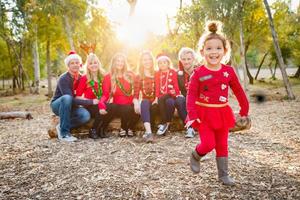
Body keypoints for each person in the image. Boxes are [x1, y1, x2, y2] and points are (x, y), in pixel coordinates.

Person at [186, 21, 249, 186]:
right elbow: (191, 95)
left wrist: (244, 108)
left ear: (225, 51)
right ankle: (196, 155)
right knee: (208, 143)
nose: (214, 52)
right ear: (202, 51)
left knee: (222, 144)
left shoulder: (228, 72)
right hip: (204, 115)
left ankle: (223, 175)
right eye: (209, 48)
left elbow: (238, 90)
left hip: (222, 113)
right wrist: (192, 115)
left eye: (218, 48)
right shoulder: (199, 73)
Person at [50, 51, 91, 142]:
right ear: (68, 65)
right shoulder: (64, 78)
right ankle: (64, 134)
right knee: (67, 97)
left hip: (73, 106)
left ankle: (61, 127)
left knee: (85, 116)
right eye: (72, 63)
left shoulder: (82, 78)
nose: (75, 65)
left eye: (77, 63)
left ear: (80, 64)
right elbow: (71, 99)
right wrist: (90, 101)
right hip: (58, 105)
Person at [101, 53, 140, 137]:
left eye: (122, 61)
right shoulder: (109, 77)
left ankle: (130, 127)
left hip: (130, 103)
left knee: (138, 109)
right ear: (114, 63)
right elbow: (105, 94)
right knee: (125, 108)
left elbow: (136, 90)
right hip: (117, 106)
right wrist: (101, 104)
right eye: (118, 61)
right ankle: (123, 127)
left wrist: (136, 102)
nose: (120, 63)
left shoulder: (130, 74)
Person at [75, 53, 108, 139]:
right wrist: (91, 101)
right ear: (88, 66)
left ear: (98, 64)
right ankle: (93, 130)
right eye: (91, 63)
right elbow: (77, 97)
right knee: (98, 109)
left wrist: (101, 102)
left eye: (95, 62)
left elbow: (106, 93)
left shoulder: (103, 77)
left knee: (109, 107)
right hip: (89, 105)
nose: (93, 65)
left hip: (101, 103)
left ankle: (102, 129)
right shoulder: (84, 79)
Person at [154, 54, 186, 136]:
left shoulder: (172, 72)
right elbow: (157, 86)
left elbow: (175, 84)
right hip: (162, 95)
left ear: (168, 63)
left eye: (164, 62)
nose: (162, 64)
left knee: (163, 99)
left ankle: (164, 123)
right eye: (160, 63)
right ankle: (166, 124)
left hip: (171, 93)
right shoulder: (157, 74)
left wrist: (178, 94)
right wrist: (156, 97)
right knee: (170, 102)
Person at [135, 51, 159, 142]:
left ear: (152, 61)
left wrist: (157, 98)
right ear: (141, 62)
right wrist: (136, 103)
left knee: (154, 106)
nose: (147, 61)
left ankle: (152, 128)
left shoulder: (157, 73)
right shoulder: (139, 76)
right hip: (147, 102)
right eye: (145, 60)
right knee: (144, 102)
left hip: (157, 101)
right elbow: (136, 93)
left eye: (149, 59)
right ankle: (149, 133)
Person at [177, 47, 198, 138]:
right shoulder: (178, 74)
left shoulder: (200, 71)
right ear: (180, 60)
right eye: (184, 59)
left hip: (199, 100)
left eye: (189, 59)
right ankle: (190, 128)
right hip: (186, 101)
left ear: (193, 59)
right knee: (179, 100)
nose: (186, 62)